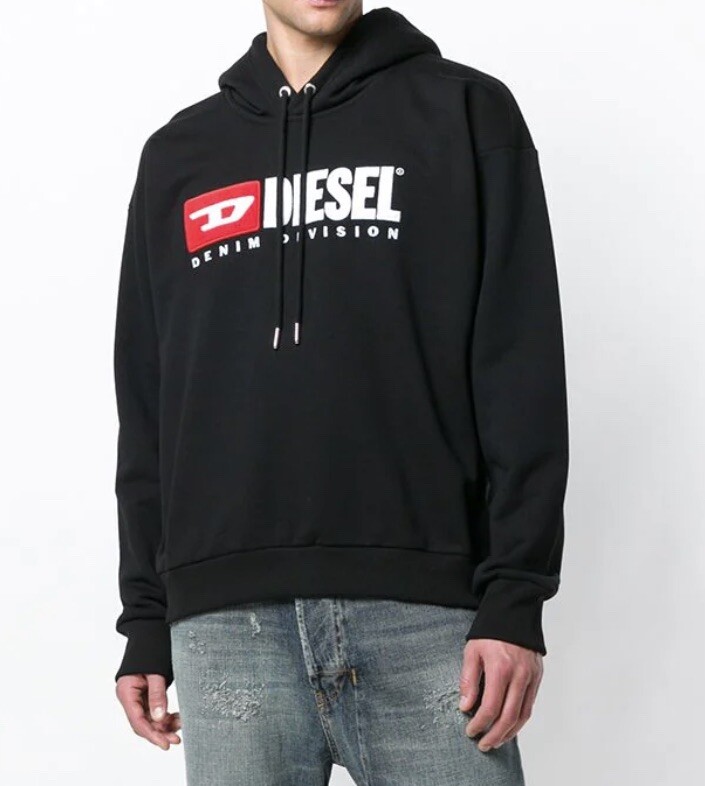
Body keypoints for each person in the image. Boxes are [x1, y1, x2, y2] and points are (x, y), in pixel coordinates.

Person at [112, 1, 569, 783]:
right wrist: (147, 617)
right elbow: (150, 402)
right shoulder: (178, 156)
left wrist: (515, 598)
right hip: (226, 627)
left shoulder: (463, 111)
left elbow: (519, 363)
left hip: (425, 615)